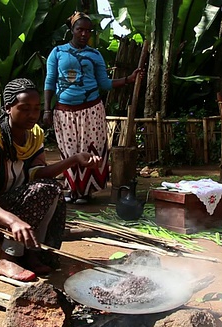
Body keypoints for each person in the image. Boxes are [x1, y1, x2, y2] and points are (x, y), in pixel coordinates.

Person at [0, 78, 102, 281]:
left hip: (15, 206)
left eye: (36, 109)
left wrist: (75, 159)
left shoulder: (35, 135)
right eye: (24, 108)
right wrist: (14, 221)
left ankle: (33, 253)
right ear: (8, 108)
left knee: (52, 189)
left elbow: (38, 174)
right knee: (40, 191)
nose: (32, 115)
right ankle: (9, 258)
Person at [44, 11, 143, 204]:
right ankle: (73, 190)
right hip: (64, 112)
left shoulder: (95, 55)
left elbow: (104, 84)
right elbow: (50, 81)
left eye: (88, 31)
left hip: (92, 110)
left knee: (92, 150)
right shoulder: (57, 53)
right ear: (72, 30)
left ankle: (86, 191)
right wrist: (47, 110)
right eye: (80, 29)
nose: (84, 34)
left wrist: (128, 80)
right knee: (70, 151)